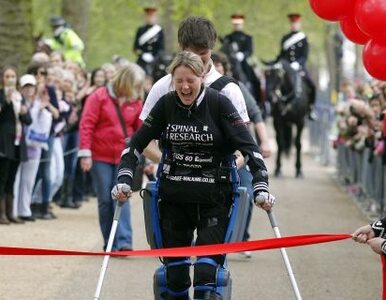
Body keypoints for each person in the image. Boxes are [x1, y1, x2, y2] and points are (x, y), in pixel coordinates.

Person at [111, 51, 275, 300]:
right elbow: (134, 146)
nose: (185, 87)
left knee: (206, 275)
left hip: (214, 201)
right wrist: (123, 179)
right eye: (179, 81)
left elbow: (251, 150)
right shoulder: (166, 104)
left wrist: (261, 187)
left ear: (202, 78)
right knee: (174, 278)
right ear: (172, 80)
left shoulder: (220, 104)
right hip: (174, 200)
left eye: (191, 80)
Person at [140, 16, 249, 164]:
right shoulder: (162, 86)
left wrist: (226, 169)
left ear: (212, 46)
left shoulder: (229, 89)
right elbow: (143, 140)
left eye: (203, 53)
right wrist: (167, 164)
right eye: (192, 53)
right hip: (174, 178)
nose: (197, 59)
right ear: (181, 47)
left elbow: (244, 145)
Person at [79, 63, 145, 251]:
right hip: (100, 156)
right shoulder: (99, 97)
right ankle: (110, 242)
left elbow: (141, 131)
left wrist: (144, 158)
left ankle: (124, 241)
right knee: (105, 199)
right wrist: (85, 153)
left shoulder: (135, 101)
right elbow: (87, 124)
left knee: (122, 194)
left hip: (124, 156)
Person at [212, 51, 271, 258]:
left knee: (245, 190)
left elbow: (255, 114)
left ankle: (241, 238)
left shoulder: (234, 87)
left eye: (219, 67)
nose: (216, 70)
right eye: (213, 66)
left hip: (241, 151)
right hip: (214, 153)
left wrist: (264, 141)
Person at [13, 74, 53, 221]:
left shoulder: (38, 103)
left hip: (35, 148)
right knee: (16, 180)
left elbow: (49, 118)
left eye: (31, 86)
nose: (29, 89)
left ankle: (25, 210)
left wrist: (43, 107)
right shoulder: (18, 102)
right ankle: (14, 210)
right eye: (26, 86)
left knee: (28, 181)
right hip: (19, 146)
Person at [0, 66, 32, 224]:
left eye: (13, 76)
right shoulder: (1, 95)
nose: (11, 79)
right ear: (3, 79)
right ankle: (1, 214)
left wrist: (25, 112)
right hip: (4, 141)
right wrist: (6, 101)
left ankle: (10, 211)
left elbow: (28, 121)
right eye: (7, 76)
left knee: (12, 178)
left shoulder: (19, 97)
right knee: (2, 177)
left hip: (18, 142)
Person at [277, 13, 317, 120]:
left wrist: (297, 64)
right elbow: (281, 55)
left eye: (296, 23)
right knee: (275, 84)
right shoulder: (285, 38)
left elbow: (304, 56)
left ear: (299, 24)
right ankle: (274, 108)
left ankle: (310, 108)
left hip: (299, 67)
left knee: (312, 86)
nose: (294, 25)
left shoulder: (303, 38)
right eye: (292, 23)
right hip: (286, 68)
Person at [222, 14, 262, 104]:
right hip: (230, 62)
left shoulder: (247, 38)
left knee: (256, 79)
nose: (237, 26)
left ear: (242, 24)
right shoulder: (228, 38)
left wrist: (243, 55)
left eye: (238, 24)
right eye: (235, 24)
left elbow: (250, 51)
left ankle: (259, 102)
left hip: (243, 62)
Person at [133, 7, 165, 76]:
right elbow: (135, 48)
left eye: (152, 16)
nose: (150, 18)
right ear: (145, 17)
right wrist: (142, 55)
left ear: (155, 17)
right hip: (142, 61)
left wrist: (154, 59)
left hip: (156, 61)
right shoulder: (140, 30)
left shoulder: (159, 30)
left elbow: (161, 48)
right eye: (148, 16)